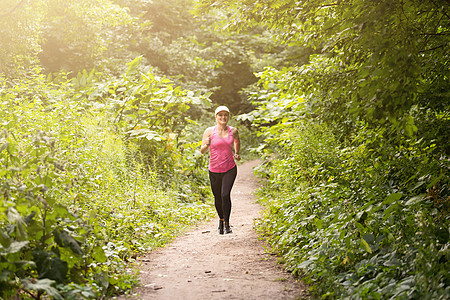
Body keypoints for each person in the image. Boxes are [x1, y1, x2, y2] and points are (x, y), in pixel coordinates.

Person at [200, 105, 241, 234]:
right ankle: (221, 220)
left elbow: (237, 141)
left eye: (225, 115)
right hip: (214, 170)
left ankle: (227, 224)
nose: (223, 117)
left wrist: (237, 152)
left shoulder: (233, 131)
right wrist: (206, 144)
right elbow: (202, 151)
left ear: (228, 117)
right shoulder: (209, 131)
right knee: (217, 197)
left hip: (229, 168)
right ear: (216, 117)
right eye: (220, 115)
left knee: (224, 195)